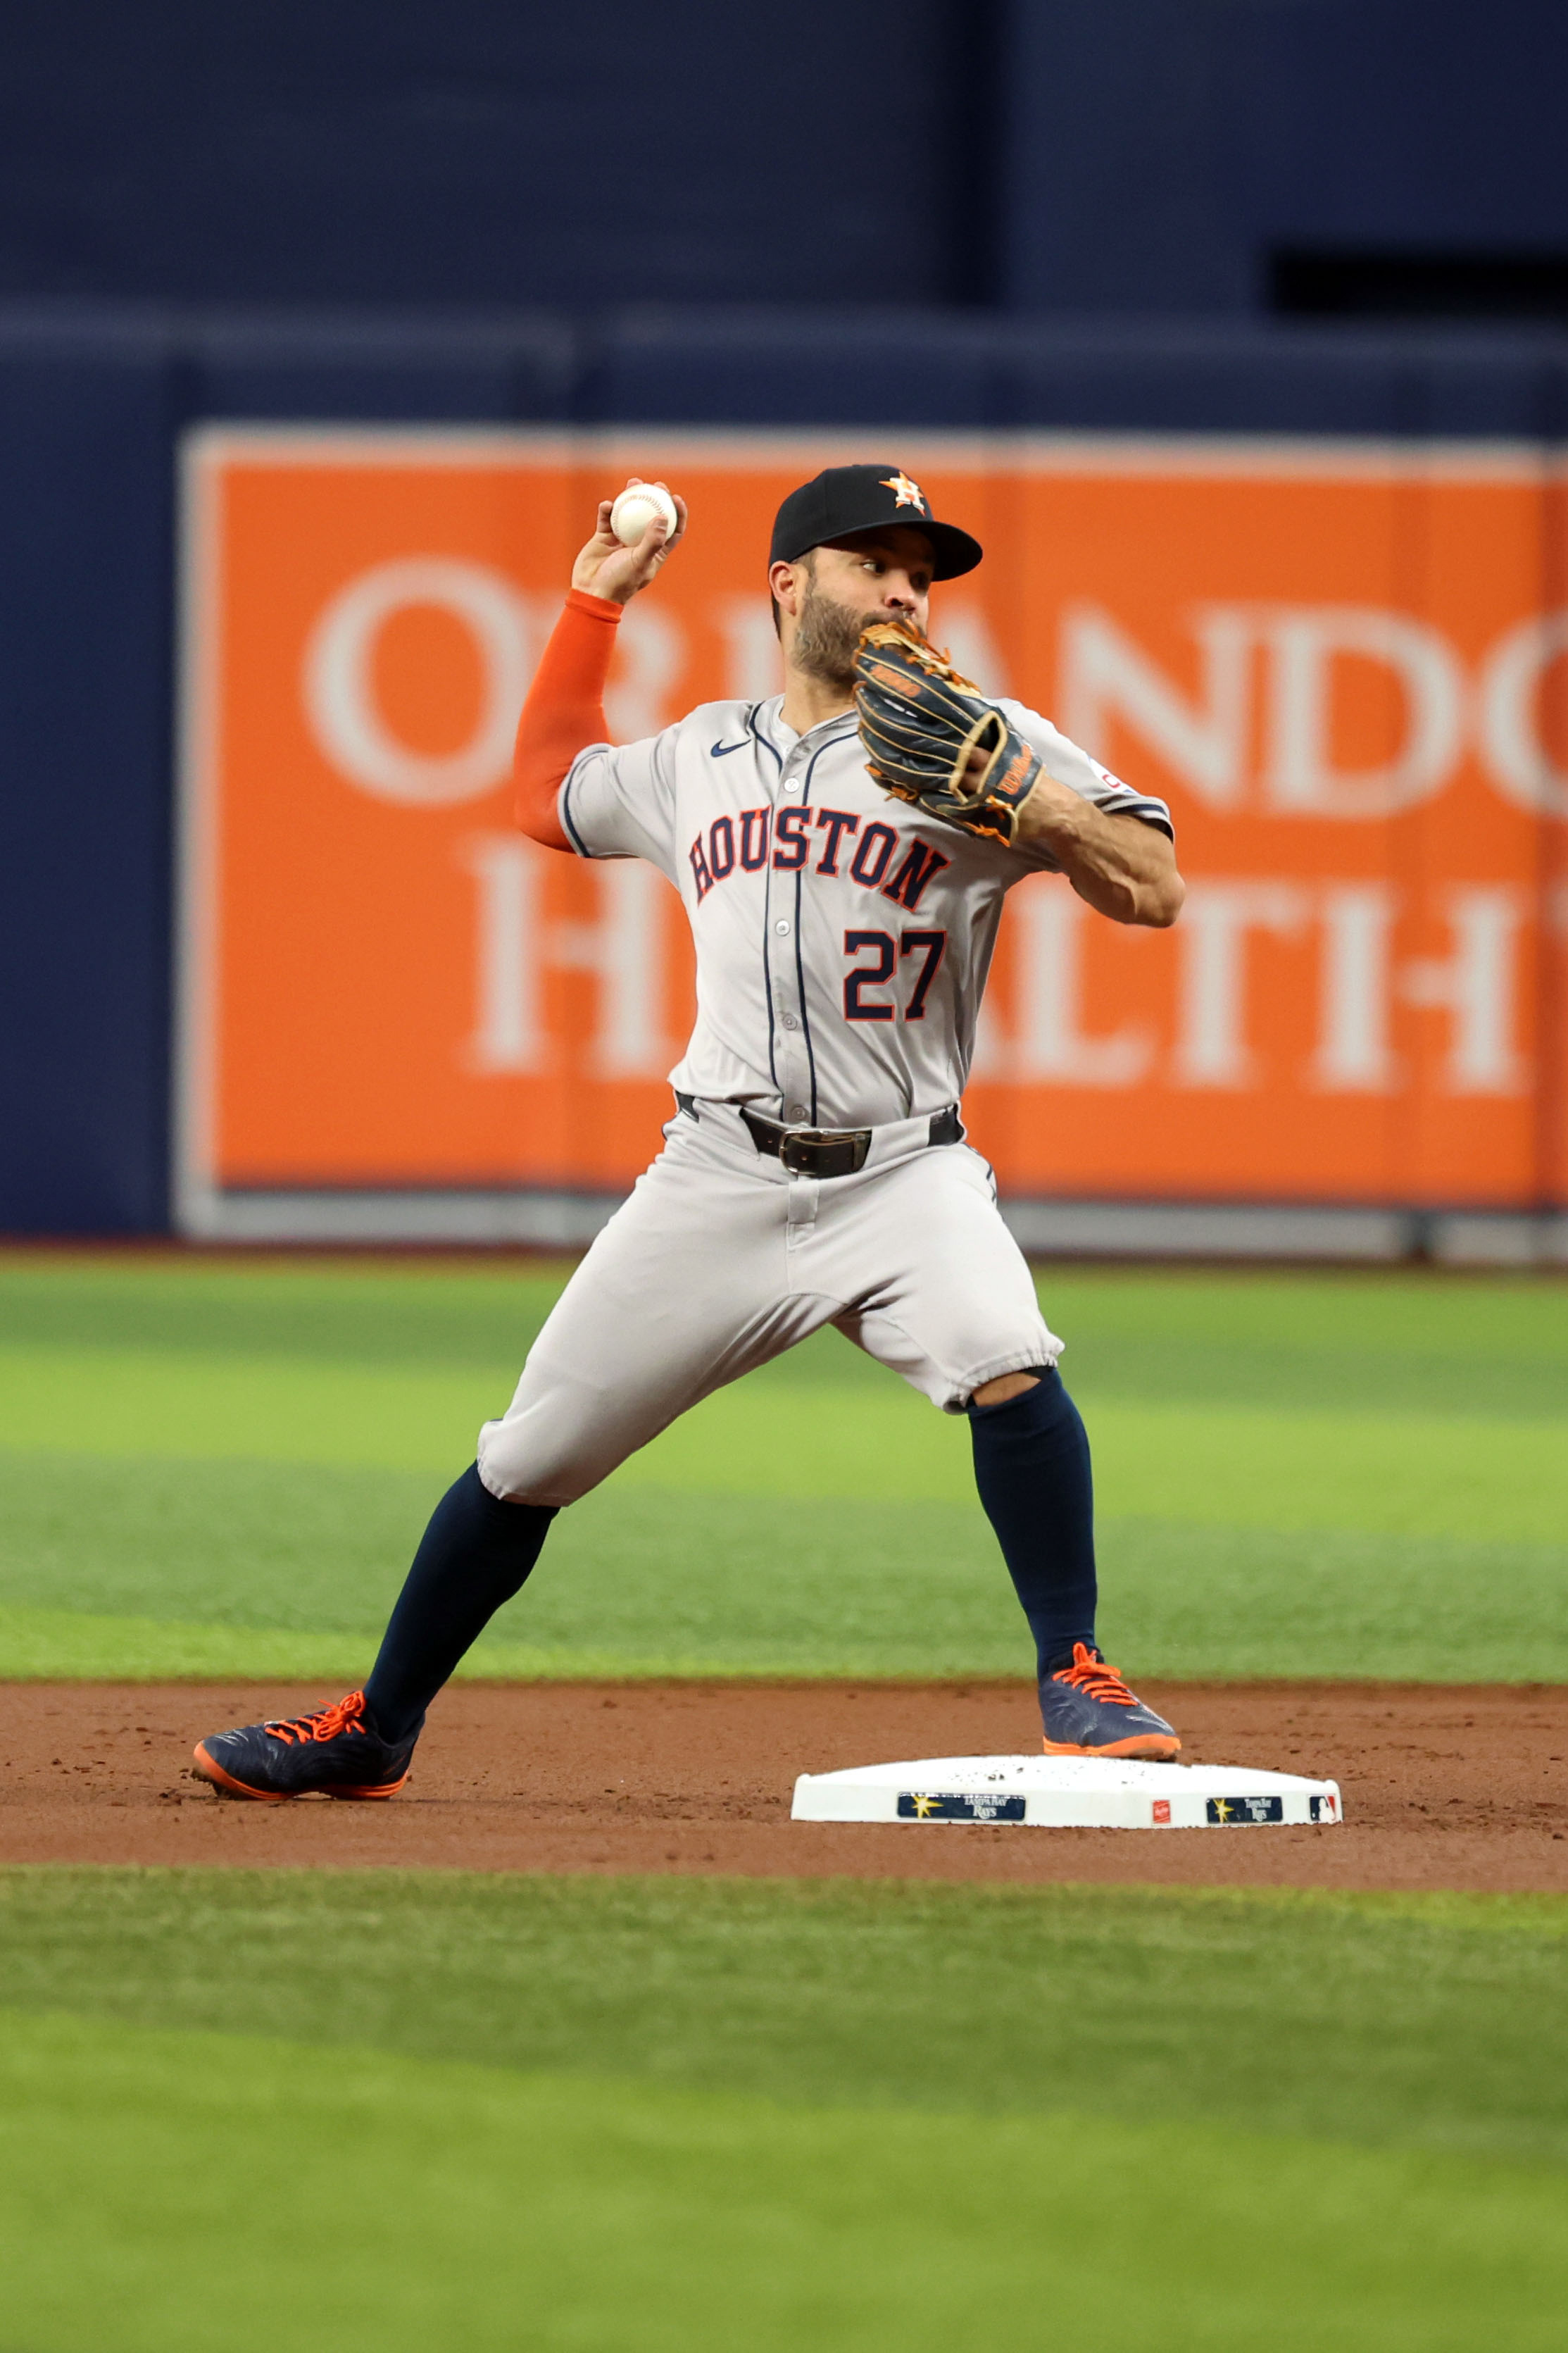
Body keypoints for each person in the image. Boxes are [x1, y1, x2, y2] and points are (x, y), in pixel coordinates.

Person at [193, 463, 1186, 1802]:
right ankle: (377, 1725)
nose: (907, 587)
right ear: (789, 586)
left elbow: (1158, 886)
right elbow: (547, 789)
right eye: (872, 561)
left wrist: (1039, 806)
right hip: (716, 1172)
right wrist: (591, 604)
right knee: (528, 1457)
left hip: (907, 1171)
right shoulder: (699, 757)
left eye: (923, 570)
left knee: (1006, 1357)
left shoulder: (985, 735)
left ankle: (1080, 1668)